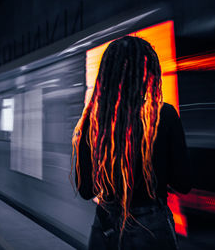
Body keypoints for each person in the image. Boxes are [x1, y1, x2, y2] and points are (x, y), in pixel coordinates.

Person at [71, 36, 191, 249]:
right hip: (151, 227)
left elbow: (85, 190)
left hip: (105, 228)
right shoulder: (164, 115)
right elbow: (183, 182)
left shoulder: (92, 120)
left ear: (107, 73)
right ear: (147, 73)